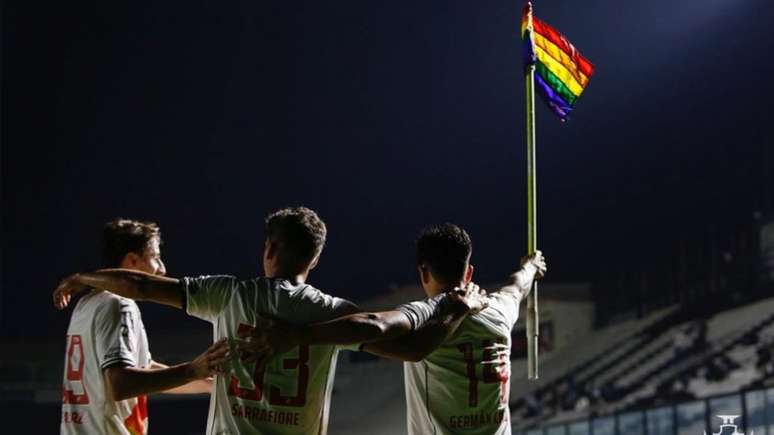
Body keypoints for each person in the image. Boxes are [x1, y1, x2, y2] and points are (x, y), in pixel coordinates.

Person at [53, 207, 488, 435]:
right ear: (315, 259)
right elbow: (413, 349)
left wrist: (82, 275)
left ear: (268, 249)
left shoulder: (228, 295)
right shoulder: (330, 311)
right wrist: (451, 307)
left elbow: (143, 287)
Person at [251, 223, 546, 435]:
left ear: (423, 272)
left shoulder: (429, 314)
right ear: (469, 272)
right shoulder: (500, 310)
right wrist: (532, 266)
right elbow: (517, 285)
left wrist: (297, 335)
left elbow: (374, 325)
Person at [56, 219, 229, 435]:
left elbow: (144, 369)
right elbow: (122, 384)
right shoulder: (119, 304)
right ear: (133, 261)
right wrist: (192, 369)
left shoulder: (86, 304)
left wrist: (206, 383)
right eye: (155, 257)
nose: (162, 269)